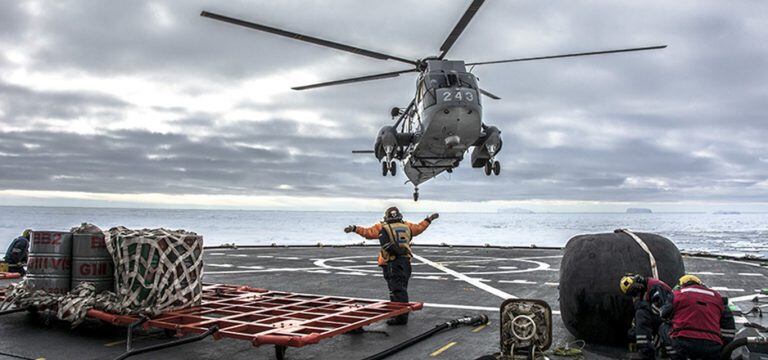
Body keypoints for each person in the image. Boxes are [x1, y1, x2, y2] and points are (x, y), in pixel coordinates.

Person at [344, 207, 439, 325]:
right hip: (405, 261)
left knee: (396, 290)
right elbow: (419, 228)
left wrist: (354, 228)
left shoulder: (383, 227)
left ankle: (401, 317)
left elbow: (368, 233)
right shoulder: (406, 226)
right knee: (401, 288)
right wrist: (428, 220)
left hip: (391, 262)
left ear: (386, 216)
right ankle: (399, 314)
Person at [660, 274, 736, 360]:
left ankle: (674, 357)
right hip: (712, 345)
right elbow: (729, 326)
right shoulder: (717, 297)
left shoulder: (678, 294)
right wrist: (724, 350)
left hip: (683, 343)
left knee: (663, 327)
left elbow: (663, 314)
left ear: (681, 285)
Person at [620, 273, 674, 359]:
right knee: (634, 329)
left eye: (635, 290)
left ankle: (646, 352)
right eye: (632, 293)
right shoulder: (647, 290)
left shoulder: (655, 286)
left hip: (669, 321)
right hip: (665, 322)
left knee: (641, 314)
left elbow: (660, 310)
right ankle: (657, 347)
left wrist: (640, 304)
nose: (636, 294)